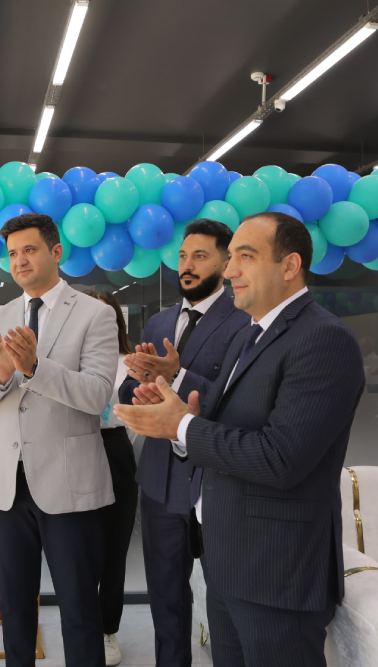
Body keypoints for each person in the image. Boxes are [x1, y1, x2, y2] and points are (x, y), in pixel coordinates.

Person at [114, 212, 365, 667]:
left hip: (276, 574)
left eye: (244, 257)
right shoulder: (251, 334)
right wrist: (180, 408)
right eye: (230, 258)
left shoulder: (324, 339)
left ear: (290, 266)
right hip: (227, 562)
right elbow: (223, 418)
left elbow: (280, 458)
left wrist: (180, 427)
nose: (229, 271)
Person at [0, 213, 118, 667]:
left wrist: (34, 368)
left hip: (69, 484)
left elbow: (97, 395)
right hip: (5, 487)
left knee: (79, 607)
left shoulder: (94, 314)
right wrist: (1, 375)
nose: (20, 261)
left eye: (29, 250)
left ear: (56, 252)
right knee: (13, 605)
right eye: (13, 253)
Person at [118, 219, 249, 667]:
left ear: (226, 263)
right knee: (166, 601)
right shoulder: (159, 321)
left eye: (200, 256)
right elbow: (129, 389)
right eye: (182, 256)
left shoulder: (243, 321)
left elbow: (238, 404)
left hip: (217, 480)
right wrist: (140, 387)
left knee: (226, 600)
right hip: (160, 482)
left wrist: (177, 375)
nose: (187, 266)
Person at [87, 291, 139, 667]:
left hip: (117, 450)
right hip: (78, 448)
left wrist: (115, 442)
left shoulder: (130, 362)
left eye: (107, 315)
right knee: (79, 546)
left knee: (114, 547)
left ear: (117, 321)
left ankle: (107, 630)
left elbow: (133, 422)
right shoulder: (73, 360)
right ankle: (83, 624)